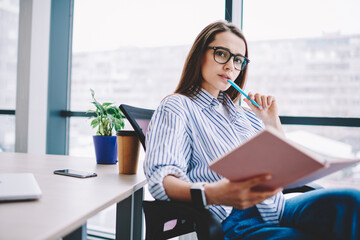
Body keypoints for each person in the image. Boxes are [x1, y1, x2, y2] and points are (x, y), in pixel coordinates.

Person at [143, 20, 360, 240]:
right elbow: (161, 180)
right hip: (232, 219)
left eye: (238, 60)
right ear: (200, 55)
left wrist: (271, 122)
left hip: (277, 208)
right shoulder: (177, 106)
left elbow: (282, 170)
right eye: (221, 54)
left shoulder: (245, 115)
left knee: (352, 201)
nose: (230, 67)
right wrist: (214, 193)